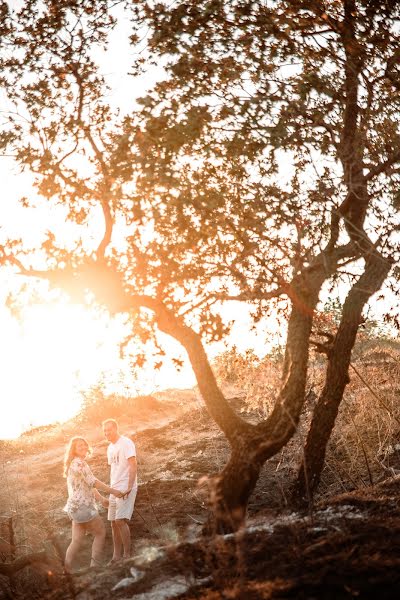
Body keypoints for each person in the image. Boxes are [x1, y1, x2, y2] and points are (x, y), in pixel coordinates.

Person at [63, 436, 123, 572]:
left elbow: (88, 484)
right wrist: (113, 491)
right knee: (100, 533)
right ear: (74, 450)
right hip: (84, 506)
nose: (83, 447)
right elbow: (93, 482)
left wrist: (101, 499)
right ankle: (94, 567)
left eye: (84, 444)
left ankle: (65, 570)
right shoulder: (80, 463)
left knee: (76, 541)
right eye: (80, 446)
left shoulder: (73, 463)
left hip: (73, 508)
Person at [102, 419, 137, 562]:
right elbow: (114, 469)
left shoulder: (126, 443)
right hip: (114, 489)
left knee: (120, 521)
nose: (106, 433)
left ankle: (127, 555)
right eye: (104, 431)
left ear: (116, 428)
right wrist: (110, 490)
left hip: (125, 487)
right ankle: (116, 556)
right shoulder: (110, 447)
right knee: (112, 522)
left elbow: (133, 465)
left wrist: (129, 486)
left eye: (109, 430)